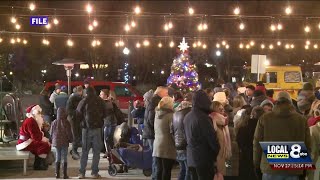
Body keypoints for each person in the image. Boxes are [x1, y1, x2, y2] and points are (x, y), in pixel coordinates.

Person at [253, 91, 311, 180]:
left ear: (276, 101)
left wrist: (257, 165)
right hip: (293, 168)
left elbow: (257, 144)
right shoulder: (301, 120)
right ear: (291, 102)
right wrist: (304, 168)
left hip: (269, 168)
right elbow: (307, 145)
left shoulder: (265, 118)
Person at [184, 90, 220, 180]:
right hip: (203, 158)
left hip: (191, 158)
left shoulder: (187, 116)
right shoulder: (203, 118)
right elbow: (211, 139)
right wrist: (215, 152)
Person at [76, 87, 106, 179]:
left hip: (86, 129)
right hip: (97, 128)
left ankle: (82, 172)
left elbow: (78, 113)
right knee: (96, 152)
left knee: (85, 151)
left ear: (86, 93)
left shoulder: (83, 101)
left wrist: (82, 123)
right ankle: (94, 172)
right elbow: (105, 113)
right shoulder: (100, 101)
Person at [16, 105, 51, 170]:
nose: (40, 114)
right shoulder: (31, 121)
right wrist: (44, 139)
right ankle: (39, 164)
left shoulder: (33, 120)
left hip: (29, 141)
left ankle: (39, 163)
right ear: (34, 112)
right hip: (25, 143)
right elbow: (35, 136)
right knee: (44, 145)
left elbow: (37, 134)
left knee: (44, 144)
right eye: (39, 113)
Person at [236, 106, 264, 180]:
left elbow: (239, 142)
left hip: (246, 159)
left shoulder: (243, 127)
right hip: (261, 159)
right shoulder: (265, 128)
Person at [153, 96, 176, 180]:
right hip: (168, 145)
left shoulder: (157, 114)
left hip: (157, 144)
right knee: (167, 170)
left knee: (159, 170)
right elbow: (172, 131)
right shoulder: (171, 116)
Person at [172, 93, 192, 180]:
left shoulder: (175, 114)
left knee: (182, 169)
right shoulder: (188, 116)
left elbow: (171, 130)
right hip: (186, 145)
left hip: (177, 145)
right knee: (188, 170)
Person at [210, 101, 232, 179]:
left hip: (222, 154)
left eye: (223, 109)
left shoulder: (223, 122)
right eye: (220, 109)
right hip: (216, 155)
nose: (223, 111)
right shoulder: (212, 121)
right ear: (214, 110)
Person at [143, 86, 168, 151]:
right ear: (161, 93)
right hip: (152, 134)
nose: (167, 95)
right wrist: (157, 129)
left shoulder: (153, 101)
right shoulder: (155, 102)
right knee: (154, 154)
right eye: (165, 93)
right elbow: (151, 119)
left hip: (150, 133)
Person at [50, 107, 73, 179]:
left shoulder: (54, 122)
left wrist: (52, 140)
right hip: (64, 142)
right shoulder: (66, 122)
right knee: (64, 157)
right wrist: (71, 139)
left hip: (56, 142)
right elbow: (69, 133)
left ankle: (57, 174)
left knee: (58, 156)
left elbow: (51, 133)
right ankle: (64, 174)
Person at [66, 85, 83, 160]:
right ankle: (74, 151)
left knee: (76, 135)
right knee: (75, 135)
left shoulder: (73, 97)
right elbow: (70, 110)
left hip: (73, 118)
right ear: (80, 91)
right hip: (74, 119)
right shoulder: (77, 98)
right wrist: (77, 113)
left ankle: (74, 150)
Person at [99, 89, 116, 158]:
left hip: (109, 123)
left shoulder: (106, 103)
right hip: (110, 122)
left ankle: (109, 153)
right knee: (108, 138)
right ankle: (110, 152)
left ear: (105, 95)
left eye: (101, 94)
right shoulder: (109, 102)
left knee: (107, 138)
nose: (100, 95)